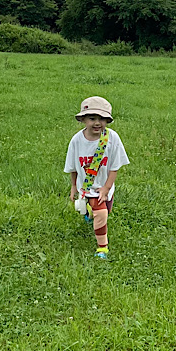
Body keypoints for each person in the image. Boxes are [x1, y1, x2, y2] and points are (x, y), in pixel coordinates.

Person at [65, 96, 129, 260]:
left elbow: (115, 166)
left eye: (102, 119)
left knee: (105, 211)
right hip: (87, 187)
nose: (97, 123)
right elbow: (73, 167)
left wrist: (106, 188)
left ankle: (90, 212)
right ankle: (103, 247)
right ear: (83, 120)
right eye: (92, 118)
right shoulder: (76, 141)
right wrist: (73, 186)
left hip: (105, 185)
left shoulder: (112, 138)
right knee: (101, 215)